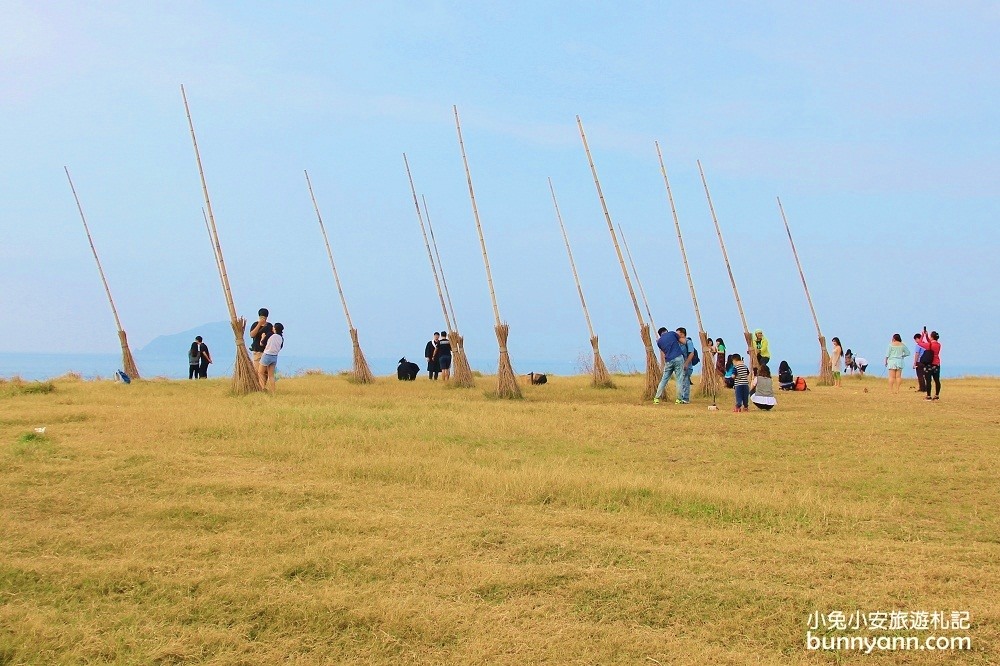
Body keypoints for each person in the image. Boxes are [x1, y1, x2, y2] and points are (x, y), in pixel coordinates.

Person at [653, 326, 684, 404]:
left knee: (664, 380)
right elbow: (683, 342)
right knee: (679, 379)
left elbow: (664, 351)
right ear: (666, 331)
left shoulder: (659, 342)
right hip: (678, 357)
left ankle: (656, 398)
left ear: (660, 334)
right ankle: (678, 399)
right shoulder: (672, 333)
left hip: (668, 360)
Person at [257, 322, 284, 393]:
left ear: (274, 328)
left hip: (267, 355)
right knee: (271, 375)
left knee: (260, 372)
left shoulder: (270, 335)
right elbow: (280, 347)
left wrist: (263, 336)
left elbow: (261, 343)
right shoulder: (281, 338)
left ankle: (262, 388)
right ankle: (273, 391)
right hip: (274, 357)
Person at [919, 327, 942, 400]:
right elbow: (931, 343)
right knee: (937, 380)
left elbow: (920, 343)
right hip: (936, 363)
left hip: (929, 364)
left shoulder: (929, 345)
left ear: (931, 337)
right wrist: (926, 336)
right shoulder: (938, 345)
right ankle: (937, 395)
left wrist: (923, 335)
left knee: (928, 380)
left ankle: (928, 395)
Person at [677, 327, 696, 404]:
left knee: (685, 381)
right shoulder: (678, 343)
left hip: (687, 365)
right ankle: (680, 397)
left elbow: (691, 353)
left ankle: (685, 398)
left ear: (682, 334)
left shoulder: (688, 342)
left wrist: (686, 363)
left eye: (678, 333)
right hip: (679, 365)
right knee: (681, 382)